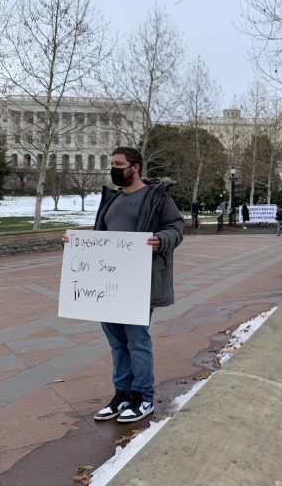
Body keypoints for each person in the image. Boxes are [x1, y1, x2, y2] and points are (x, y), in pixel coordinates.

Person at [63, 146, 183, 423]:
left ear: (135, 166)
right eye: (112, 164)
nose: (114, 168)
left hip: (138, 283)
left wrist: (162, 240)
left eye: (119, 164)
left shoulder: (156, 197)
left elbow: (176, 227)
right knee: (117, 343)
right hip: (108, 284)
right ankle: (122, 394)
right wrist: (77, 244)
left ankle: (144, 397)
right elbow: (101, 238)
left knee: (137, 342)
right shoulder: (111, 199)